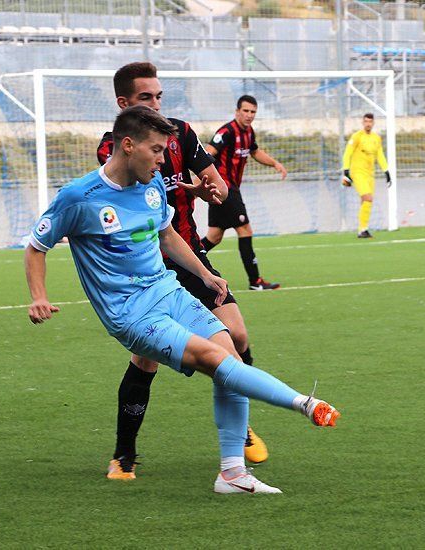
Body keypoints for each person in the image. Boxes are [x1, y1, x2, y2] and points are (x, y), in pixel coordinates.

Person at [26, 105, 340, 494]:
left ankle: (232, 473)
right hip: (131, 314)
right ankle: (303, 403)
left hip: (168, 290)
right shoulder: (78, 197)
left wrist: (206, 275)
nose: (163, 160)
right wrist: (38, 296)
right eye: (156, 150)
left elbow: (168, 236)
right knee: (214, 360)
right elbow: (36, 246)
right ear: (128, 145)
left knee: (230, 353)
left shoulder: (153, 185)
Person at [97, 62, 269, 480]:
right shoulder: (113, 147)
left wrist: (214, 189)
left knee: (238, 336)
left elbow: (217, 184)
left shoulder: (182, 133)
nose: (156, 104)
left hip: (189, 252)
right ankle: (123, 455)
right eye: (145, 98)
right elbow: (140, 198)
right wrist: (183, 188)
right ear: (124, 104)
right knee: (146, 359)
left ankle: (239, 424)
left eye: (159, 96)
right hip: (148, 266)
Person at [200, 95, 287, 291]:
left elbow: (255, 152)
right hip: (225, 189)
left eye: (253, 112)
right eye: (245, 111)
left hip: (229, 189)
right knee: (245, 230)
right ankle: (255, 282)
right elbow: (208, 151)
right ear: (237, 111)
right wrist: (201, 180)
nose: (249, 115)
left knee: (214, 236)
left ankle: (183, 260)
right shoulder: (227, 131)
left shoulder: (249, 133)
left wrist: (275, 163)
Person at [341, 113, 391, 239]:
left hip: (370, 174)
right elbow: (347, 153)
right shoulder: (357, 136)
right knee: (368, 198)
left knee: (365, 201)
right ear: (363, 123)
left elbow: (380, 155)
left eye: (370, 122)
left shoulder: (376, 138)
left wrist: (386, 171)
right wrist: (346, 171)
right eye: (366, 121)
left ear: (373, 123)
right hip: (357, 172)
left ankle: (362, 229)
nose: (368, 124)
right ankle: (363, 230)